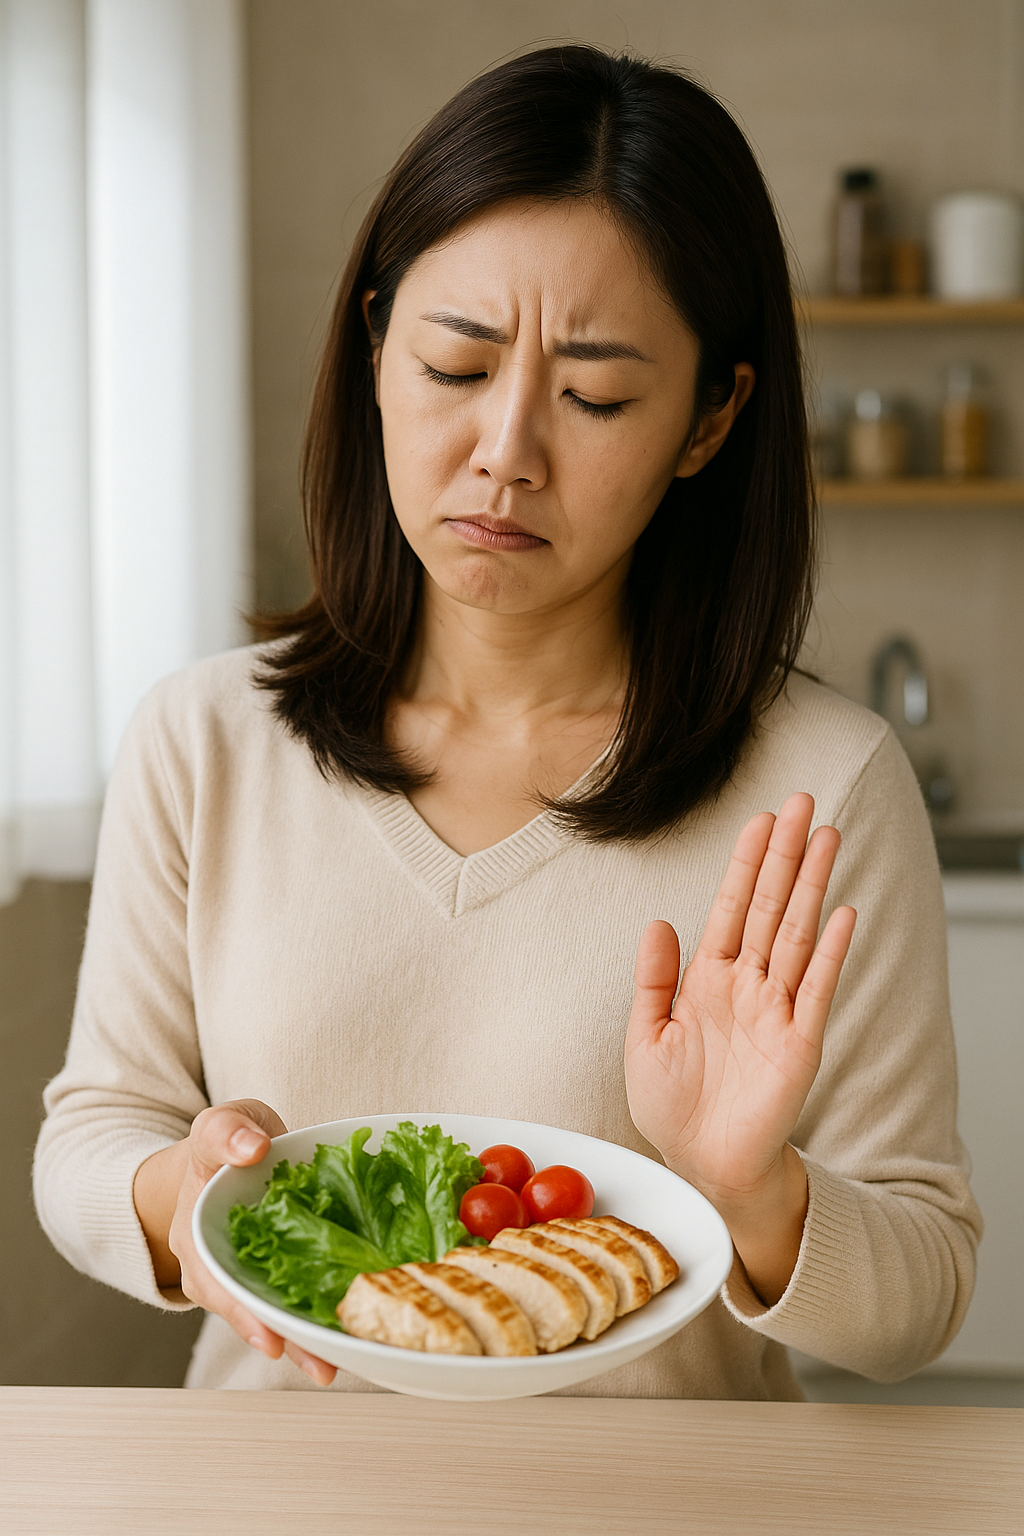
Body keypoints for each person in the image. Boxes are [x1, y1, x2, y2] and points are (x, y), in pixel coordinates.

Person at [34, 45, 980, 1398]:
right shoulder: (206, 739)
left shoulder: (822, 786)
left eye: (596, 396)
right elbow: (95, 1129)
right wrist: (171, 1195)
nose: (506, 450)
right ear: (375, 347)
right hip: (277, 1499)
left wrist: (756, 1193)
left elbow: (925, 1288)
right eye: (455, 364)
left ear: (711, 420)